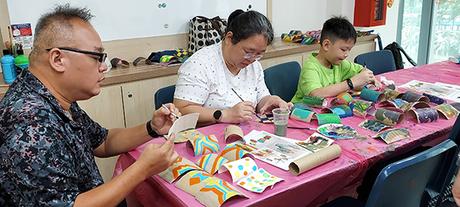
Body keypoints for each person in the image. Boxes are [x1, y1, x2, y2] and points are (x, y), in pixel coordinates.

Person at [0, 4, 179, 206]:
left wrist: (152, 128)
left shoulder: (54, 97)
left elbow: (103, 142)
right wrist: (142, 169)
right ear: (58, 59)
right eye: (96, 57)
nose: (103, 67)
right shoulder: (31, 123)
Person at [174, 9, 291, 125]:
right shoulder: (199, 64)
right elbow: (182, 109)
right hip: (208, 138)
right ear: (229, 38)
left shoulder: (254, 66)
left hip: (246, 134)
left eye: (259, 54)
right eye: (248, 51)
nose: (252, 59)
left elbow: (261, 98)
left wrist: (271, 100)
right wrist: (224, 115)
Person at [291, 17, 381, 103]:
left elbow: (362, 70)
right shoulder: (310, 67)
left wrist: (369, 76)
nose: (346, 54)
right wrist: (350, 83)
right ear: (326, 45)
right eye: (343, 49)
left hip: (328, 110)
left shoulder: (339, 63)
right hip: (301, 112)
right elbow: (315, 95)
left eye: (349, 50)